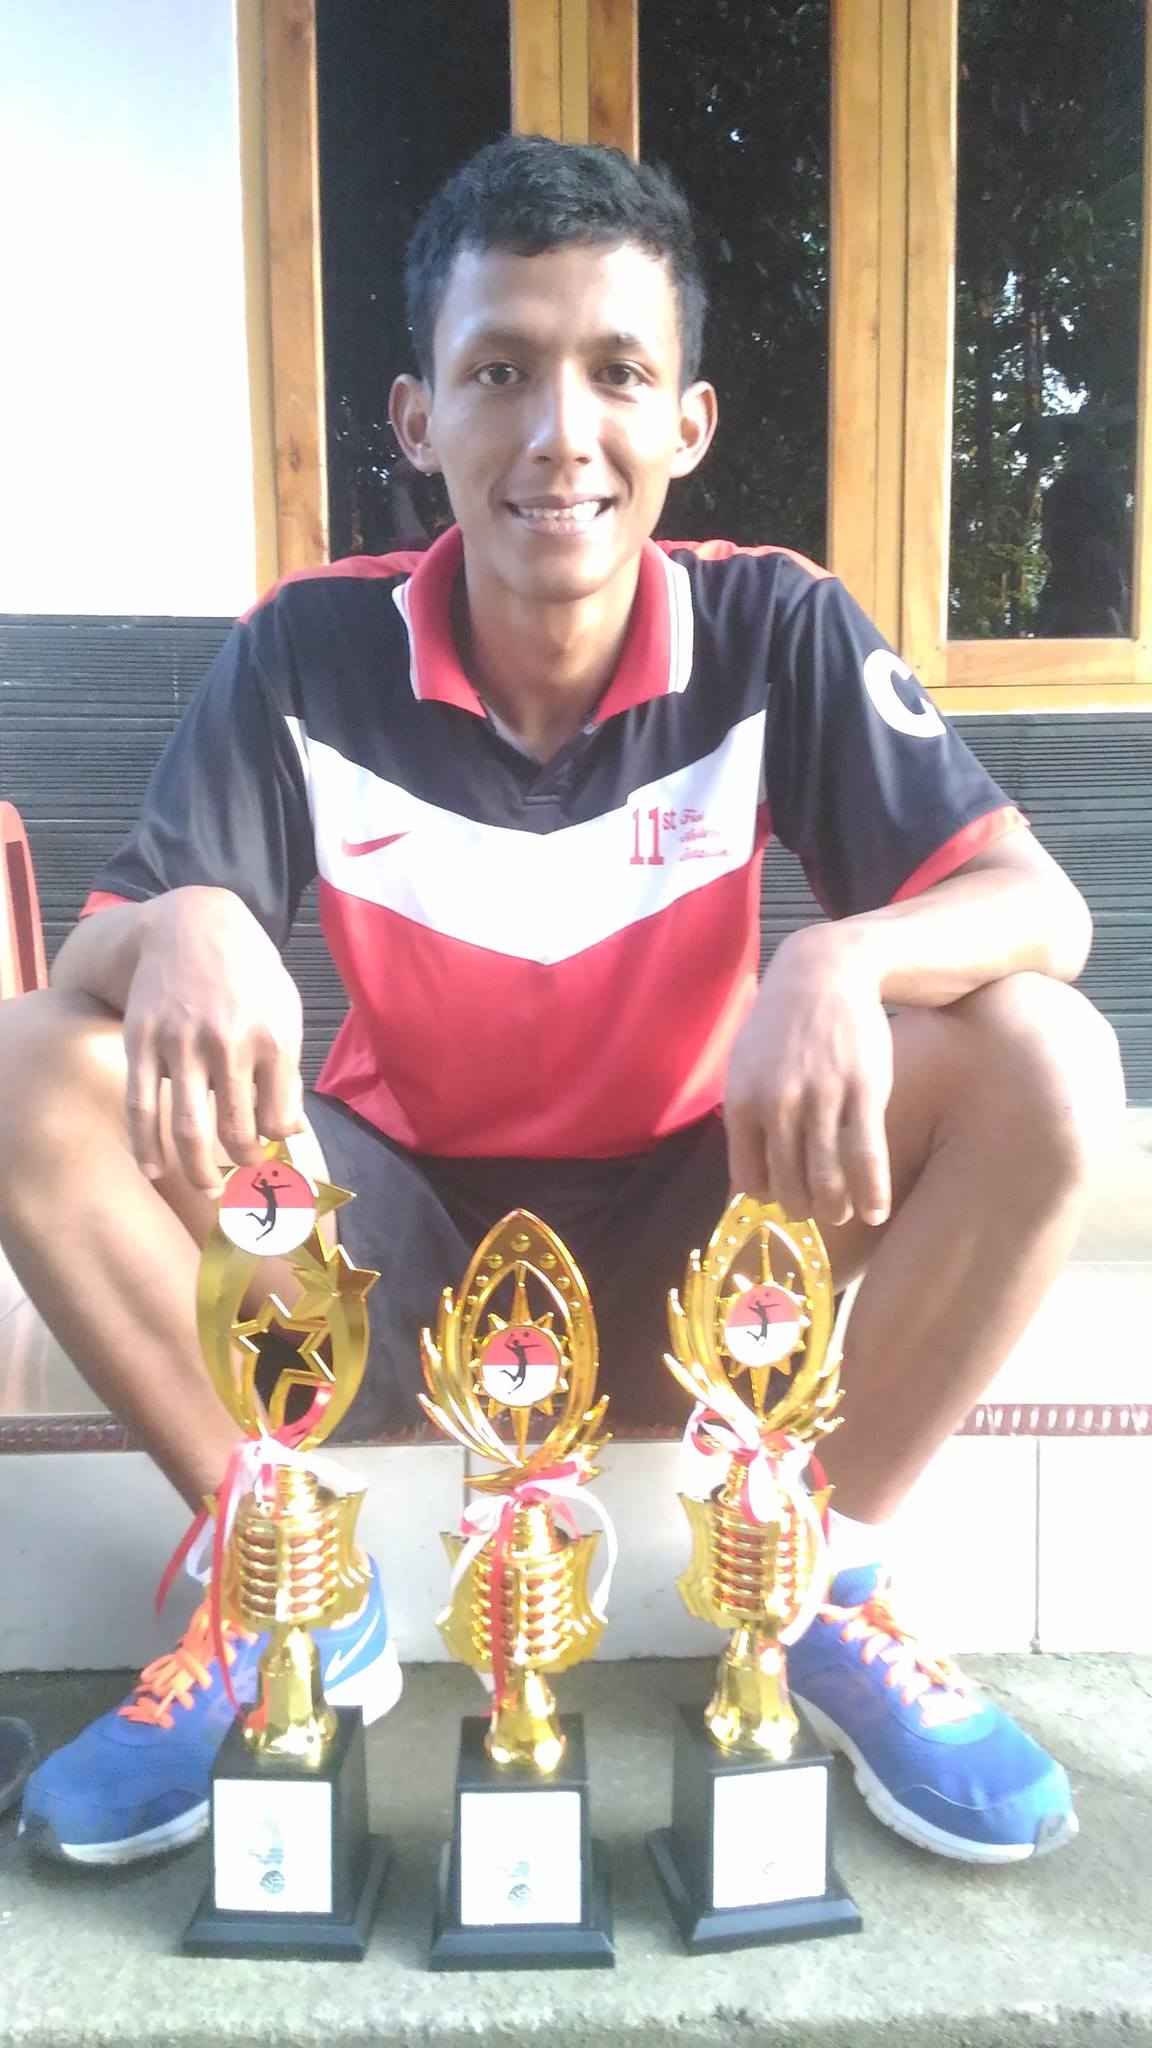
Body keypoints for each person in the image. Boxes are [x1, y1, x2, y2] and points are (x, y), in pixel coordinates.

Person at [0, 136, 1124, 1871]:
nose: (558, 433)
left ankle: (823, 1580)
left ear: (689, 421)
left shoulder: (777, 629)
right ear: (416, 418)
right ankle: (290, 1587)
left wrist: (840, 955)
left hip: (704, 1231)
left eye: (616, 373)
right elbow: (90, 966)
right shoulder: (306, 649)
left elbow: (1043, 911)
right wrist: (180, 926)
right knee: (26, 1066)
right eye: (500, 373)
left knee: (1045, 1058)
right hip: (389, 1247)